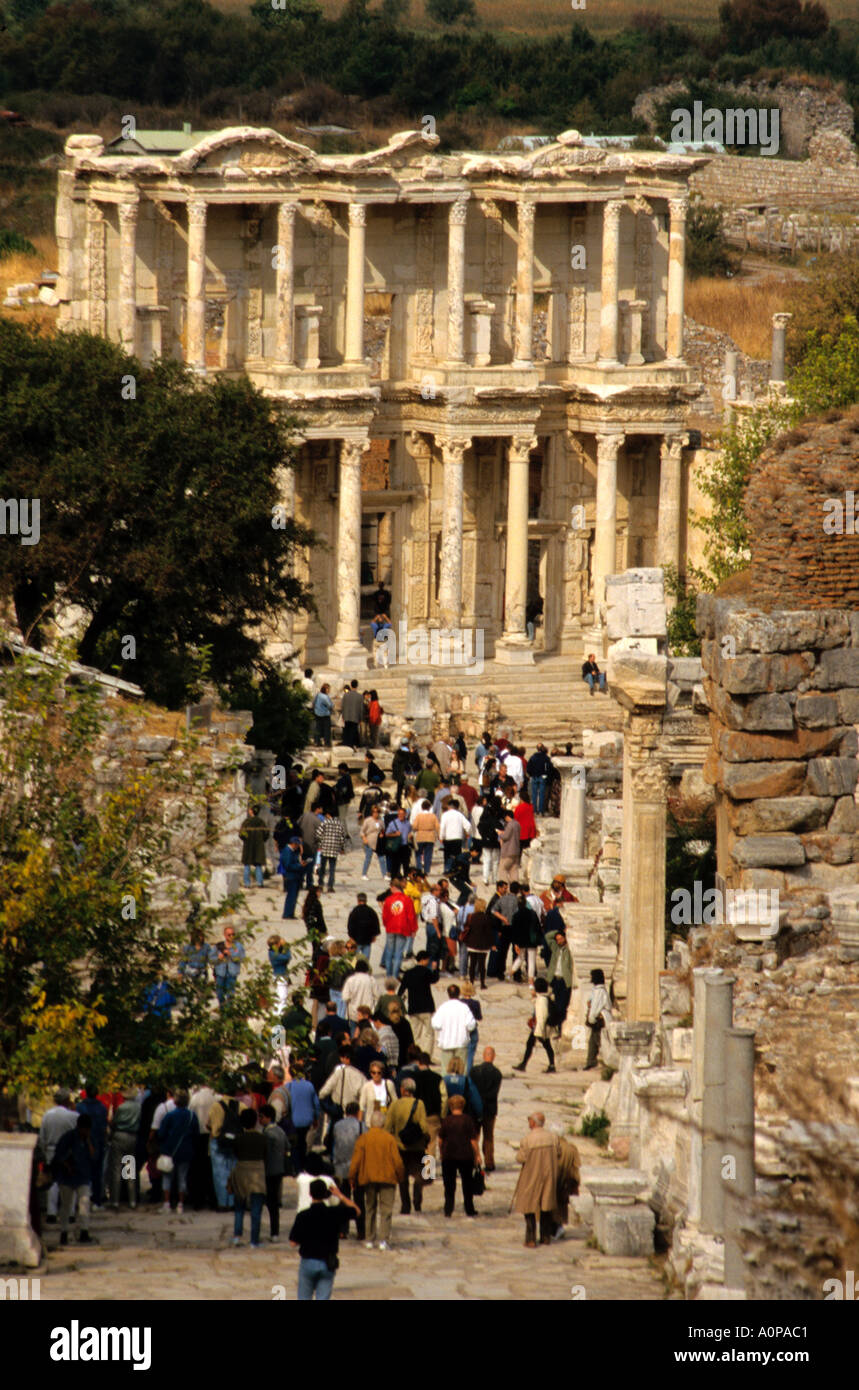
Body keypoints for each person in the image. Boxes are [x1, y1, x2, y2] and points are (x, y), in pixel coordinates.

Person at [289, 1177, 354, 1300]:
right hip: (327, 1262)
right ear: (326, 1194)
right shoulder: (334, 1213)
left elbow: (293, 1242)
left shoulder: (303, 1215)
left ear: (310, 1194)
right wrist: (340, 1195)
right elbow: (357, 1211)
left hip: (308, 1261)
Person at [348, 1111, 405, 1251]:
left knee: (370, 1208)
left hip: (368, 1177)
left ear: (371, 1123)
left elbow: (356, 1160)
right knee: (386, 1210)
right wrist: (400, 1176)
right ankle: (383, 1240)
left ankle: (369, 1238)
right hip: (388, 1178)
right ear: (383, 1124)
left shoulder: (364, 1138)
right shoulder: (390, 1139)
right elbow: (397, 1161)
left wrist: (352, 1177)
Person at [512, 1112, 561, 1247]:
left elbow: (520, 1158)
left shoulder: (527, 1140)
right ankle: (545, 1237)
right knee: (546, 1206)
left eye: (529, 1120)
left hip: (531, 1176)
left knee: (529, 1207)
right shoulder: (553, 1138)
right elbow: (559, 1153)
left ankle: (530, 1239)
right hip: (548, 1175)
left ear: (533, 1123)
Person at [385, 1076, 429, 1215]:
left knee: (402, 1178)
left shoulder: (395, 1105)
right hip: (417, 1147)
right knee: (418, 1176)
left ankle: (405, 1205)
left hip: (400, 1147)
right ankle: (417, 1202)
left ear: (402, 1089)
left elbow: (387, 1127)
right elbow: (424, 1127)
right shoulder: (420, 1104)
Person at [53, 1114, 97, 1247]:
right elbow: (59, 1155)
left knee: (84, 1204)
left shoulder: (89, 1139)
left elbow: (93, 1156)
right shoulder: (68, 1138)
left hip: (83, 1176)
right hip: (67, 1177)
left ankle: (84, 1231)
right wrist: (67, 1165)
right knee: (66, 1206)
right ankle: (64, 1232)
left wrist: (88, 1141)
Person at [438, 1095, 481, 1218]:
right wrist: (477, 1155)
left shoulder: (446, 1120)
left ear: (450, 1106)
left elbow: (440, 1140)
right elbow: (473, 1140)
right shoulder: (467, 1120)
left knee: (449, 1185)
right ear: (463, 1106)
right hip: (465, 1155)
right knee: (467, 1184)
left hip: (449, 1155)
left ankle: (448, 1209)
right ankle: (469, 1208)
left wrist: (441, 1152)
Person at [157, 1090, 199, 1214]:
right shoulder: (192, 1116)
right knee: (182, 1178)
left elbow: (161, 1134)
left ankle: (167, 1203)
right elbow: (196, 1134)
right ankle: (180, 1204)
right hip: (186, 1151)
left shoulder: (170, 1116)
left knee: (167, 1177)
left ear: (175, 1101)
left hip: (169, 1151)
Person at [230, 1109, 267, 1247]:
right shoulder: (262, 1138)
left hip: (241, 1171)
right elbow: (265, 1155)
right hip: (257, 1172)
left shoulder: (238, 1138)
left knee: (239, 1207)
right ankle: (254, 1240)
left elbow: (235, 1153)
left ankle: (237, 1236)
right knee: (256, 1209)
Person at [332, 1103, 366, 1240]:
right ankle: (361, 1230)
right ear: (358, 1112)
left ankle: (342, 1230)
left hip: (340, 1166)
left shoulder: (336, 1125)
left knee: (342, 1198)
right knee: (359, 1199)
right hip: (357, 1167)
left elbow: (331, 1142)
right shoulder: (362, 1126)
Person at [106, 1085, 141, 1210]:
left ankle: (115, 1200)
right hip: (132, 1137)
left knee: (116, 1169)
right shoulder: (138, 1108)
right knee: (129, 1169)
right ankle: (132, 1200)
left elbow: (114, 1122)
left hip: (119, 1136)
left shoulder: (121, 1107)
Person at [513, 978, 556, 1074]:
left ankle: (524, 1064)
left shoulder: (542, 1000)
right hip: (541, 1027)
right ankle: (524, 1064)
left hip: (540, 1028)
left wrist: (538, 1032)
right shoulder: (544, 997)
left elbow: (542, 1017)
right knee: (539, 1045)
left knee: (542, 1045)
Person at [470, 1046, 502, 1171]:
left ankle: (474, 1160)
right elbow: (494, 1093)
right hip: (490, 1109)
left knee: (474, 1136)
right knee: (489, 1137)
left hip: (475, 1109)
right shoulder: (497, 1073)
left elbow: (471, 1090)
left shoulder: (474, 1071)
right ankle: (489, 1162)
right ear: (493, 1056)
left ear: (483, 1056)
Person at [75, 1085, 108, 1208]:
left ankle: (82, 1199)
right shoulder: (102, 1107)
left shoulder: (80, 1107)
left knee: (83, 1172)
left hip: (83, 1142)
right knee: (97, 1173)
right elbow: (104, 1126)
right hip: (98, 1142)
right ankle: (97, 1200)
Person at [398, 951, 436, 1056]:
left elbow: (401, 990)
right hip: (426, 1007)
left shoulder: (408, 973)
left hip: (413, 1007)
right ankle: (426, 1055)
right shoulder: (426, 971)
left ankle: (416, 1054)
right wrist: (434, 969)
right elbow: (434, 979)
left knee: (415, 1033)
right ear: (423, 960)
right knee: (429, 1033)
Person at [431, 983, 475, 1071]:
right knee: (461, 1069)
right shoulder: (464, 1007)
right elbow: (471, 1025)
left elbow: (435, 1024)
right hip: (461, 1042)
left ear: (448, 994)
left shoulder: (443, 1007)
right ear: (459, 994)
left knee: (446, 1069)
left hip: (446, 1043)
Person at [380, 877, 418, 978]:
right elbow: (411, 916)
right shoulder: (407, 900)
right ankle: (395, 974)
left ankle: (389, 974)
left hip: (391, 927)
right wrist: (413, 929)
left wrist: (386, 924)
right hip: (402, 928)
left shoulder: (388, 900)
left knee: (389, 951)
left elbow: (385, 915)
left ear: (393, 887)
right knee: (398, 952)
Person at [287, 1064, 321, 1170]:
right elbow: (316, 1104)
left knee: (295, 1144)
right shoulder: (309, 1085)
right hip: (307, 1120)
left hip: (293, 1120)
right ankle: (303, 1164)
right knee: (303, 1142)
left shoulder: (289, 1086)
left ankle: (296, 1166)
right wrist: (316, 1118)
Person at [462, 897, 495, 990]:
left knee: (472, 964)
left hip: (472, 943)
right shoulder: (486, 918)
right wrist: (492, 943)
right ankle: (482, 983)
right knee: (482, 964)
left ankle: (471, 982)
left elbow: (466, 927)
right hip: (483, 944)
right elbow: (489, 933)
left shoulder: (471, 917)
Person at [510, 890, 541, 984]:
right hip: (531, 940)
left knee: (520, 958)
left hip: (521, 940)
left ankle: (510, 974)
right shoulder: (532, 913)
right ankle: (531, 979)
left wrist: (515, 943)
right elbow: (537, 927)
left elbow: (514, 930)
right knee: (531, 960)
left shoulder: (516, 915)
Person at [584, 968, 612, 1071]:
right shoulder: (598, 990)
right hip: (599, 1020)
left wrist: (591, 1019)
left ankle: (607, 1062)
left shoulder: (599, 991)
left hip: (600, 1020)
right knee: (593, 1041)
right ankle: (591, 1061)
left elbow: (596, 1007)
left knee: (600, 1041)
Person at [238, 803, 268, 888]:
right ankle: (259, 882)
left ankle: (247, 883)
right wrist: (262, 840)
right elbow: (266, 834)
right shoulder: (261, 822)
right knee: (258, 865)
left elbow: (241, 834)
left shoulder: (247, 822)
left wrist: (246, 840)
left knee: (247, 864)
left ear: (251, 811)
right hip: (259, 846)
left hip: (248, 846)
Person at [439, 798, 472, 874]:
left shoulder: (445, 815)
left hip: (448, 838)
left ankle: (447, 869)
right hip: (458, 838)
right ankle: (455, 869)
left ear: (449, 806)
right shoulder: (460, 815)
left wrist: (441, 837)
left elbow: (442, 827)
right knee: (457, 855)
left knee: (447, 854)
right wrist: (468, 833)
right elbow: (468, 826)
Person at [341, 957, 377, 1021]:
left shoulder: (350, 980)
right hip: (367, 1012)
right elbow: (377, 996)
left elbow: (345, 997)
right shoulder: (371, 980)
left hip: (354, 1013)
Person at [360, 803, 386, 880]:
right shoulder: (368, 820)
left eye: (377, 812)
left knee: (381, 859)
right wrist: (364, 838)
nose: (376, 813)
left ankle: (384, 874)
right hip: (369, 841)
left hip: (379, 842)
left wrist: (382, 834)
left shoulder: (381, 821)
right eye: (374, 812)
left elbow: (383, 830)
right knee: (368, 858)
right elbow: (362, 831)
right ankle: (364, 874)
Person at [267, 933, 292, 1012]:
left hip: (280, 975)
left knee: (279, 997)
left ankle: (277, 1013)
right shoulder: (274, 954)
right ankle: (279, 1014)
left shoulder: (273, 952)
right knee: (282, 997)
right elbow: (288, 957)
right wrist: (286, 946)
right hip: (280, 977)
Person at [498, 810, 521, 881]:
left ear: (507, 816)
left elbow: (505, 836)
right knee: (514, 870)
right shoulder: (517, 824)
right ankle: (515, 887)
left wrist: (500, 833)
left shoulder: (510, 825)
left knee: (502, 870)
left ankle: (505, 887)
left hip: (508, 851)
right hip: (516, 851)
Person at [341, 680, 364, 749]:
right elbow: (361, 709)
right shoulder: (360, 696)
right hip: (355, 717)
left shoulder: (345, 695)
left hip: (347, 716)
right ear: (357, 686)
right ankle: (351, 745)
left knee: (347, 731)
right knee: (353, 732)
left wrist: (343, 716)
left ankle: (346, 745)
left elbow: (343, 706)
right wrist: (361, 719)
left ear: (351, 685)